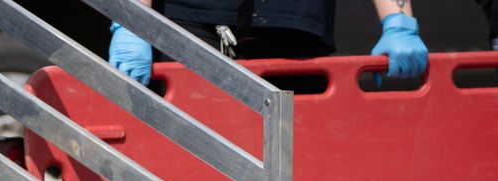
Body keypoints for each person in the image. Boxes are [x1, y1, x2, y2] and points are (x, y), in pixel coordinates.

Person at [108, 0, 429, 86]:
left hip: (296, 25)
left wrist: (398, 22)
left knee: (296, 163)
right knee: (189, 159)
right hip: (192, 19)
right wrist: (133, 21)